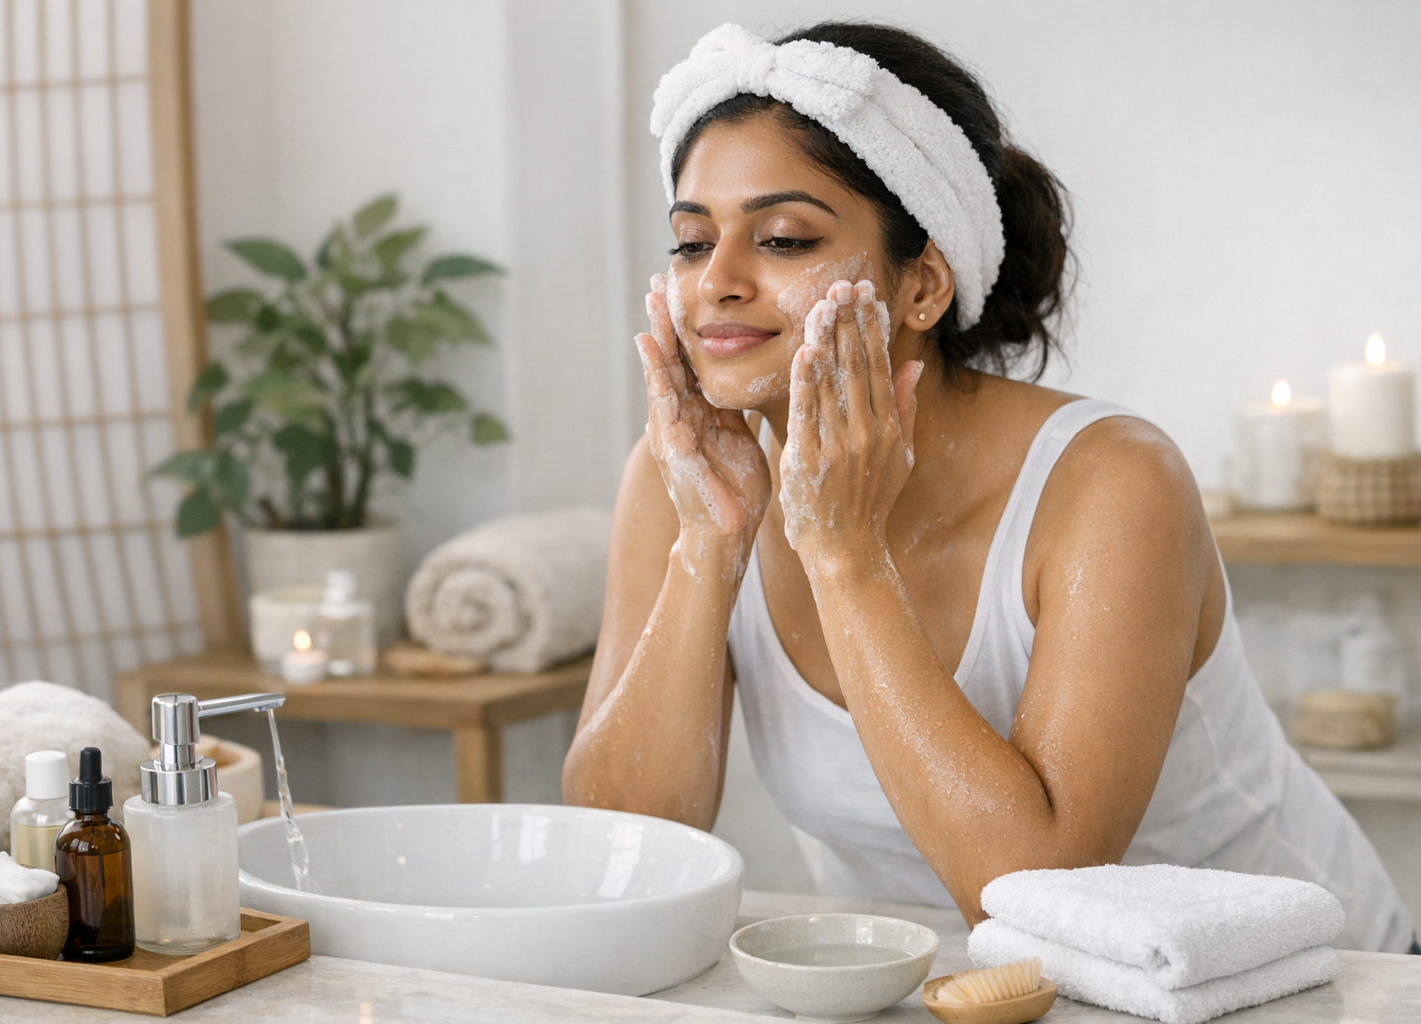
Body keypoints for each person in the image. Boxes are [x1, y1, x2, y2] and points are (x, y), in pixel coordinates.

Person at [561, 21, 1412, 952]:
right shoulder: (688, 477)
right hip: (969, 993)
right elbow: (623, 849)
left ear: (922, 286)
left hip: (1302, 985)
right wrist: (709, 544)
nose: (716, 281)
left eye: (783, 238)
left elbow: (1044, 892)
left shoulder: (1112, 483)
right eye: (690, 242)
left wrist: (844, 554)